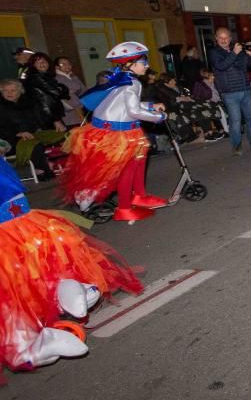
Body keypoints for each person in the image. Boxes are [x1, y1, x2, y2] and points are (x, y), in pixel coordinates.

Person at [0, 158, 144, 371]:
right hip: (17, 220)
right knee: (25, 272)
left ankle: (61, 298)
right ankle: (63, 301)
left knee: (30, 268)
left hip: (14, 218)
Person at [59, 42, 169, 222]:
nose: (147, 66)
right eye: (143, 62)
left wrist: (150, 106)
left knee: (139, 161)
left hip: (123, 130)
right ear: (131, 64)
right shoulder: (130, 83)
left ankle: (139, 196)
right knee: (126, 170)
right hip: (117, 134)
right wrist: (159, 117)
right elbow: (133, 111)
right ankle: (124, 208)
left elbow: (124, 105)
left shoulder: (121, 79)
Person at [207, 27, 251, 156]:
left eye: (226, 37)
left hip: (245, 88)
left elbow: (250, 67)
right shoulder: (214, 52)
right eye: (221, 38)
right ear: (216, 38)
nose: (223, 40)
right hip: (229, 92)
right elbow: (221, 66)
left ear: (230, 38)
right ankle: (236, 146)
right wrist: (234, 53)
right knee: (235, 120)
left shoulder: (238, 50)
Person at [0, 79, 63, 180]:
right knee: (33, 144)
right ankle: (41, 170)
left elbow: (42, 117)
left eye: (13, 90)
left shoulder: (29, 103)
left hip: (34, 133)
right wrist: (17, 133)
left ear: (20, 91)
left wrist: (55, 121)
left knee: (64, 136)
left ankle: (67, 163)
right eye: (5, 91)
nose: (9, 93)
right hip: (11, 139)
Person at [53, 57, 85, 127]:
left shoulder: (72, 76)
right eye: (63, 64)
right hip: (69, 112)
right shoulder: (57, 78)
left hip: (79, 110)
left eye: (68, 64)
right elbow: (75, 88)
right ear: (57, 67)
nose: (67, 66)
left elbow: (82, 89)